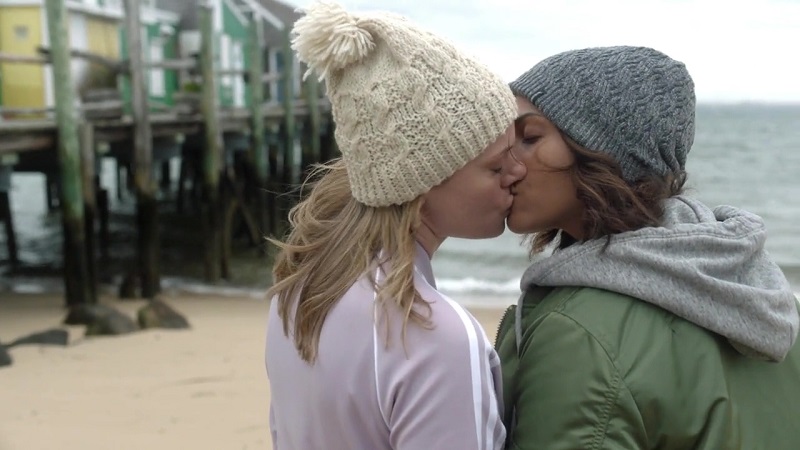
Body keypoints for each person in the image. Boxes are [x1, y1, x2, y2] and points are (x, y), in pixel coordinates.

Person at [496, 45, 800, 449]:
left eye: (530, 137)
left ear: (605, 152)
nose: (506, 162)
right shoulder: (772, 303)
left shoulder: (578, 335)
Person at [265, 2, 523, 449]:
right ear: (421, 182)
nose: (516, 173)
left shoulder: (297, 293)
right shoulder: (434, 338)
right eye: (496, 165)